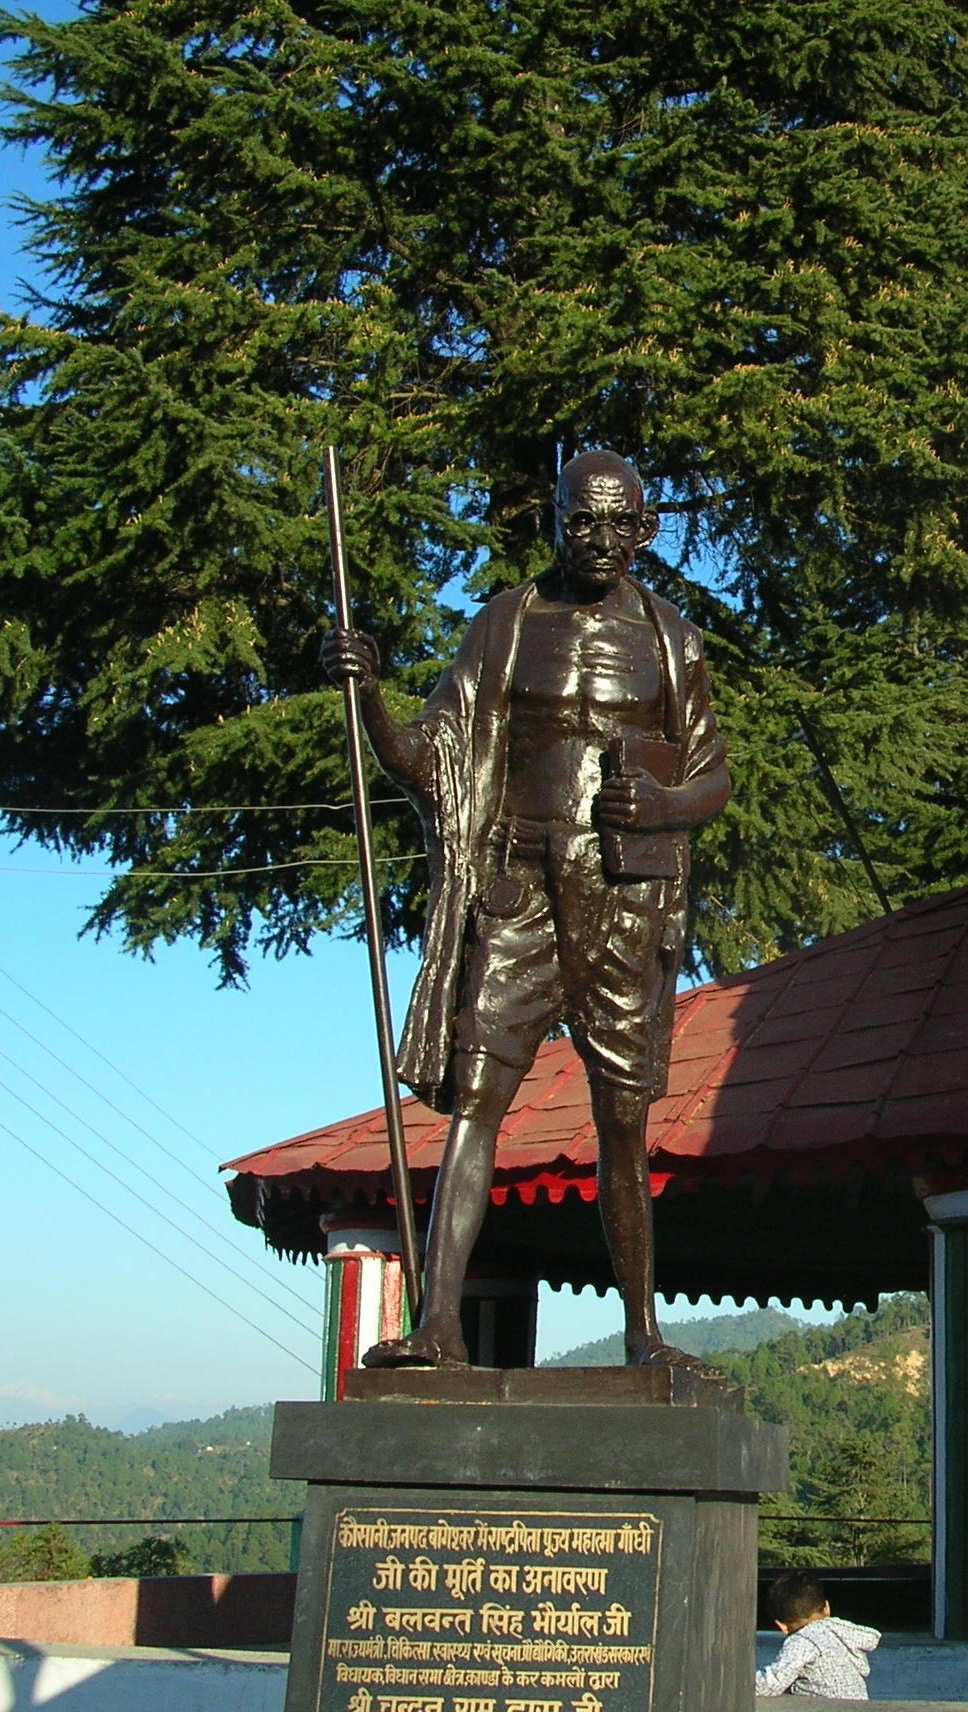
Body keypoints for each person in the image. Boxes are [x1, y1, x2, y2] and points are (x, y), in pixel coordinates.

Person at [320, 448, 730, 1369]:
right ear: (553, 518)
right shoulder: (505, 625)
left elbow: (713, 775)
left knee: (623, 1119)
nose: (599, 539)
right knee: (476, 1099)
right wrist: (369, 696)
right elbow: (432, 757)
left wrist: (665, 804)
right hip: (519, 884)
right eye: (581, 520)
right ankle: (439, 1325)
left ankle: (643, 1335)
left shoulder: (671, 640)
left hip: (622, 895)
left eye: (618, 523)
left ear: (645, 529)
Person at [756, 1571, 881, 1700]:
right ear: (827, 1608)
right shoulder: (841, 1633)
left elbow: (774, 1682)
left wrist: (746, 1682)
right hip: (860, 1704)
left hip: (828, 1706)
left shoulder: (803, 1640)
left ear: (782, 1626)